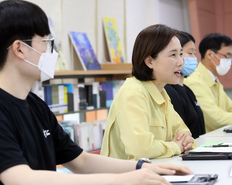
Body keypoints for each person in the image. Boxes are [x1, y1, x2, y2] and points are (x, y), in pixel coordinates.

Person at [0, 1, 193, 185]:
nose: (52, 50)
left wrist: (145, 167)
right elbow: (19, 178)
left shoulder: (36, 104)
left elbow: (81, 161)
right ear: (19, 49)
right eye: (45, 42)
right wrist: (124, 179)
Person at [101, 24, 197, 160]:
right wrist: (176, 147)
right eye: (173, 55)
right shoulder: (133, 93)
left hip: (154, 173)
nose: (181, 62)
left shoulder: (162, 93)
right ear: (150, 61)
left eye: (181, 54)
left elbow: (186, 135)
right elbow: (140, 149)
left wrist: (184, 143)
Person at [164, 31, 205, 138]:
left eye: (194, 54)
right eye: (189, 53)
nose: (194, 58)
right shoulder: (168, 90)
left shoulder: (187, 89)